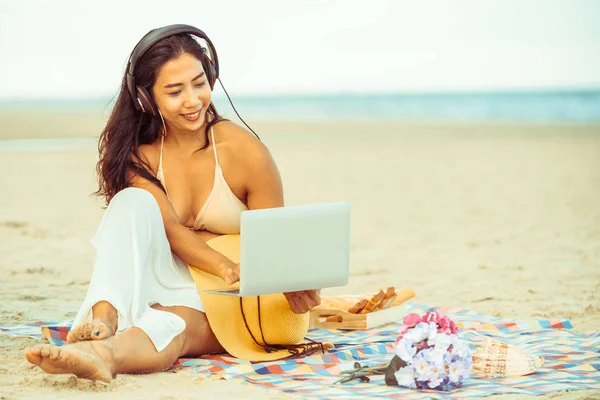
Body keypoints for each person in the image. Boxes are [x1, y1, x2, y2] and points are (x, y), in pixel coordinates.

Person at [24, 25, 321, 382]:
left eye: (199, 83)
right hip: (166, 276)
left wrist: (287, 278)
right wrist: (222, 263)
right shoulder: (142, 156)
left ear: (212, 78)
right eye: (175, 91)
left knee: (170, 323)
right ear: (146, 98)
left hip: (229, 293)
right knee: (131, 202)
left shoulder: (245, 152)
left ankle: (103, 353)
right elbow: (169, 229)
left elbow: (274, 240)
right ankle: (103, 320)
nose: (193, 100)